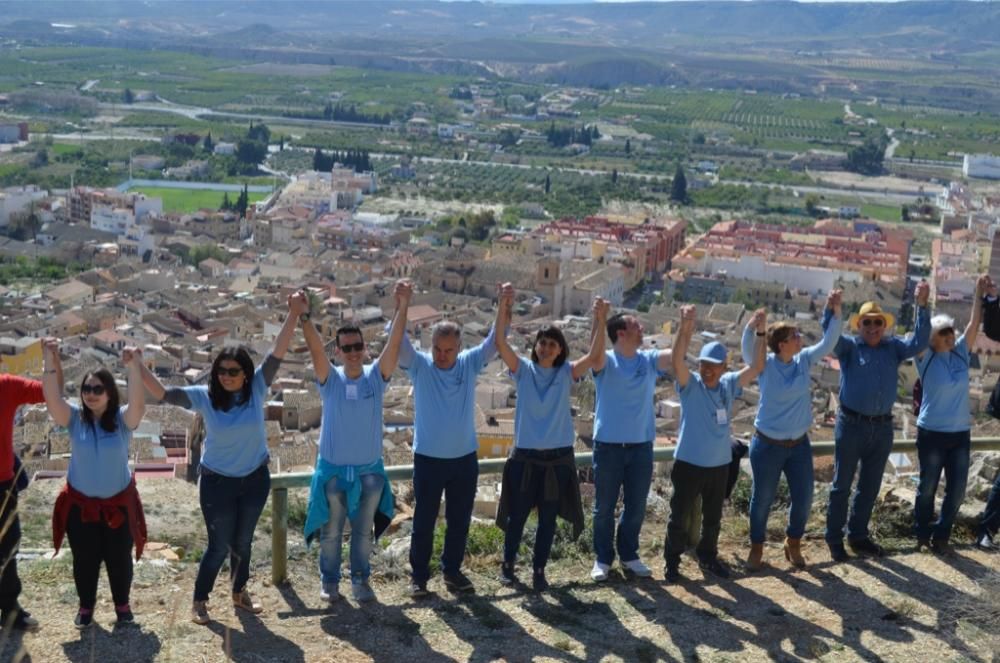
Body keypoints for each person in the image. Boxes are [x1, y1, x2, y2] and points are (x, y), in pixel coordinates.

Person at [138, 291, 307, 624]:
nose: (227, 375)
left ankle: (238, 592)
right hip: (217, 483)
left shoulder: (257, 388)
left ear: (246, 373)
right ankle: (200, 600)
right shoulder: (205, 397)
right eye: (221, 370)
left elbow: (278, 351)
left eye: (233, 370)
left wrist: (294, 312)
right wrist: (136, 365)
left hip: (255, 479)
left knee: (243, 542)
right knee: (218, 545)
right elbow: (163, 395)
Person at [301, 280, 411, 604]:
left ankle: (361, 581)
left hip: (369, 474)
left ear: (364, 348)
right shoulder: (330, 381)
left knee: (363, 534)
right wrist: (304, 318)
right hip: (334, 473)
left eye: (356, 346)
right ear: (338, 351)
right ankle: (330, 582)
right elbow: (314, 349)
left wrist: (403, 307)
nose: (352, 353)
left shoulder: (376, 379)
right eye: (346, 348)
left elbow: (393, 343)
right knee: (332, 533)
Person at [493, 284, 607, 591]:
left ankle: (539, 571)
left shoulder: (565, 373)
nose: (546, 348)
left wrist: (600, 319)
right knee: (516, 518)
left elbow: (596, 355)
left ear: (560, 350)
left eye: (552, 344)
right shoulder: (522, 370)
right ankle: (508, 567)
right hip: (526, 457)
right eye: (542, 343)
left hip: (556, 459)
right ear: (536, 347)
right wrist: (504, 306)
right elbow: (501, 343)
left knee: (548, 521)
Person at [824, 281, 930, 561]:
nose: (872, 328)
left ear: (884, 325)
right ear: (859, 325)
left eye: (877, 323)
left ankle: (858, 536)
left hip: (882, 428)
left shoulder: (892, 347)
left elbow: (919, 342)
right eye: (867, 323)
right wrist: (832, 311)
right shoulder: (849, 348)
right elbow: (831, 338)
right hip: (851, 425)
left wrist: (922, 306)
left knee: (870, 487)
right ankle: (834, 538)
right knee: (841, 485)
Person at [44, 340, 147, 629]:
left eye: (97, 389)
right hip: (81, 506)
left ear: (110, 393)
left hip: (118, 505)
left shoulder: (122, 420)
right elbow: (52, 399)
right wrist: (48, 358)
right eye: (86, 389)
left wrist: (135, 367)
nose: (90, 394)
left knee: (119, 560)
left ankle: (122, 606)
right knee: (84, 561)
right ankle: (86, 607)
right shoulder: (75, 420)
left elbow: (138, 405)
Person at [741, 291, 843, 570]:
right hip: (767, 444)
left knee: (804, 496)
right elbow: (748, 350)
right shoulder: (765, 365)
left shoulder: (804, 361)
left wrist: (835, 312)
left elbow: (829, 342)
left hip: (798, 445)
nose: (801, 338)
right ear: (783, 344)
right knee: (761, 499)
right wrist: (752, 325)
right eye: (796, 335)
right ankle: (756, 547)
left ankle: (793, 542)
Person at [399, 310, 498, 597]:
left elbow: (493, 343)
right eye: (437, 350)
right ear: (430, 347)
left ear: (459, 348)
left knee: (459, 520)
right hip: (428, 459)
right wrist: (402, 306)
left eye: (448, 350)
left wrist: (503, 307)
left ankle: (452, 573)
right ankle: (418, 578)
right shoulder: (420, 367)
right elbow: (400, 345)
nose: (442, 356)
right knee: (423, 521)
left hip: (464, 459)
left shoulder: (468, 365)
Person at [665, 305, 765, 582]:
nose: (707, 370)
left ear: (724, 367)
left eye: (713, 365)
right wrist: (684, 327)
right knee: (679, 516)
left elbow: (757, 366)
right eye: (704, 365)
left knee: (712, 519)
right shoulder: (691, 385)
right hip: (688, 463)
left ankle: (708, 558)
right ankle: (671, 563)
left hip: (719, 465)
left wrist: (760, 330)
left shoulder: (729, 385)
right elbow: (676, 362)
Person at [589, 309, 674, 582]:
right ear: (621, 333)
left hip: (640, 446)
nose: (642, 328)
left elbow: (676, 356)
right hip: (608, 446)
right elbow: (594, 356)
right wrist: (599, 322)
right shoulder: (606, 361)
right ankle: (603, 558)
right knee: (604, 507)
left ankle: (628, 554)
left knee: (636, 505)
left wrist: (685, 327)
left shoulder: (647, 360)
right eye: (636, 325)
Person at [913, 275, 988, 553]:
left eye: (950, 331)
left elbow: (974, 323)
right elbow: (917, 333)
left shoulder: (960, 354)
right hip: (932, 433)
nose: (949, 335)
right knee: (928, 487)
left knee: (956, 491)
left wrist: (979, 292)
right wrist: (920, 304)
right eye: (943, 332)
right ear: (932, 339)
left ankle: (941, 535)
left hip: (959, 434)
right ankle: (921, 534)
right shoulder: (926, 358)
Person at [0, 355, 62, 633]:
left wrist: (51, 360)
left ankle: (10, 612)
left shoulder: (6, 386)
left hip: (3, 485)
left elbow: (50, 392)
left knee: (8, 547)